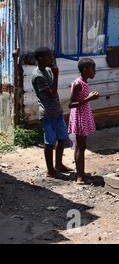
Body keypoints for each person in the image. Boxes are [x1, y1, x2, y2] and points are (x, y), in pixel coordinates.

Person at [31, 47, 72, 179]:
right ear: (40, 59)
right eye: (49, 57)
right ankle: (50, 171)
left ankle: (58, 165)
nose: (51, 59)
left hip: (57, 110)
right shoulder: (38, 76)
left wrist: (53, 73)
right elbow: (52, 93)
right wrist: (57, 75)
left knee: (62, 138)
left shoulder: (47, 70)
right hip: (48, 113)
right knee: (49, 142)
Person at [68, 58, 100, 185]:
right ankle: (80, 177)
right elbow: (70, 104)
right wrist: (88, 99)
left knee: (82, 146)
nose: (95, 72)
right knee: (80, 147)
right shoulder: (78, 84)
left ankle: (80, 173)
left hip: (83, 115)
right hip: (79, 117)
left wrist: (89, 98)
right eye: (93, 69)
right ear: (85, 70)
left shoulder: (84, 82)